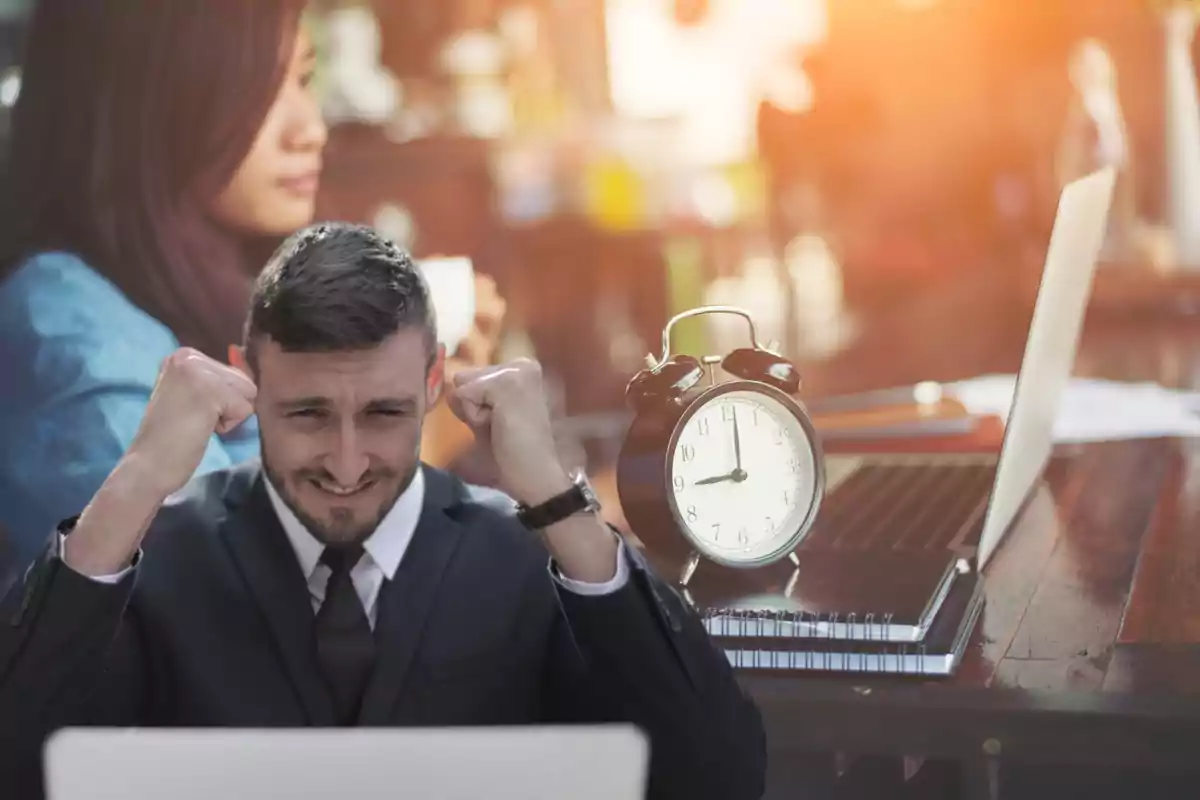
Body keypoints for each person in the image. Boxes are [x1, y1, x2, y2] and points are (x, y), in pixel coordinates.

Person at [0, 223, 766, 800]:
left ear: (435, 382)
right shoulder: (158, 558)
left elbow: (718, 773)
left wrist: (560, 501)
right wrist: (135, 481)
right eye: (306, 414)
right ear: (245, 381)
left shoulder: (529, 558)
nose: (344, 461)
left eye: (384, 414)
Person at [0, 0, 504, 576]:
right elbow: (232, 607)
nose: (309, 130)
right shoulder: (67, 329)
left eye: (304, 79)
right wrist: (422, 433)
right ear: (145, 99)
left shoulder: (222, 278)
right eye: (259, 89)